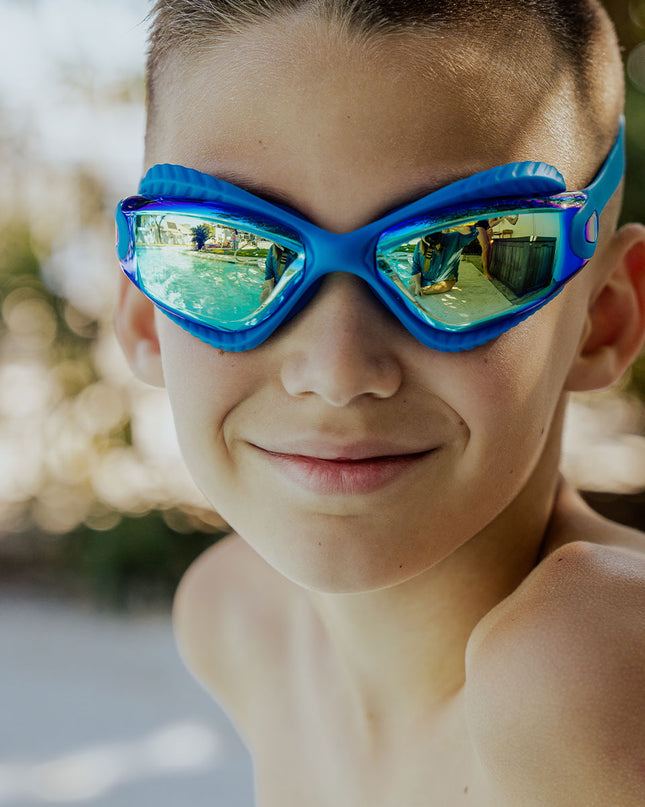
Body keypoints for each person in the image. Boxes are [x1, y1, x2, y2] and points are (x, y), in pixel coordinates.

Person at [114, 1, 645, 804]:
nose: (336, 371)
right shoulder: (234, 618)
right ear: (145, 313)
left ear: (602, 318)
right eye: (224, 253)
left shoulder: (582, 665)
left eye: (465, 256)